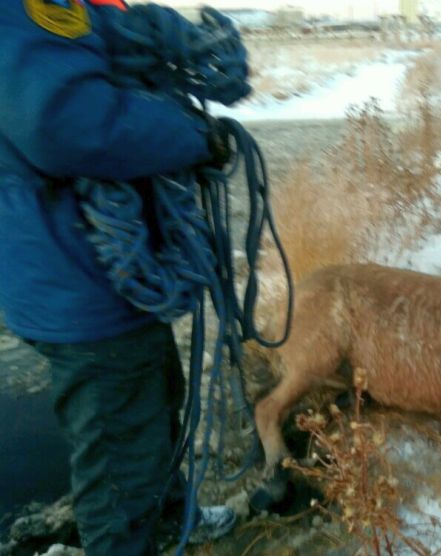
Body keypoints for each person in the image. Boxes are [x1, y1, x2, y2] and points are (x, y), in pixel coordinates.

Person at [0, 0, 237, 554]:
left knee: (153, 406)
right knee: (118, 454)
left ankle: (175, 517)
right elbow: (67, 125)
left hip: (97, 281)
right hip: (80, 282)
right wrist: (194, 134)